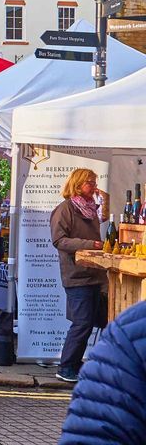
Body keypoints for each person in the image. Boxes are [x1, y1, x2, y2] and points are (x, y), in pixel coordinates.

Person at [57, 299, 146, 444]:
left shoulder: (127, 334)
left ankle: (69, 365)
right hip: (80, 283)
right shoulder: (127, 337)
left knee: (83, 323)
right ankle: (67, 366)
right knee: (82, 323)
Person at [50, 167, 107, 383]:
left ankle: (75, 363)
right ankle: (66, 367)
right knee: (82, 323)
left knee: (91, 321)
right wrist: (89, 245)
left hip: (94, 273)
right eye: (90, 182)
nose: (94, 186)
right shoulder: (65, 209)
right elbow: (59, 240)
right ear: (78, 184)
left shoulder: (90, 209)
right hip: (77, 275)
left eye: (94, 182)